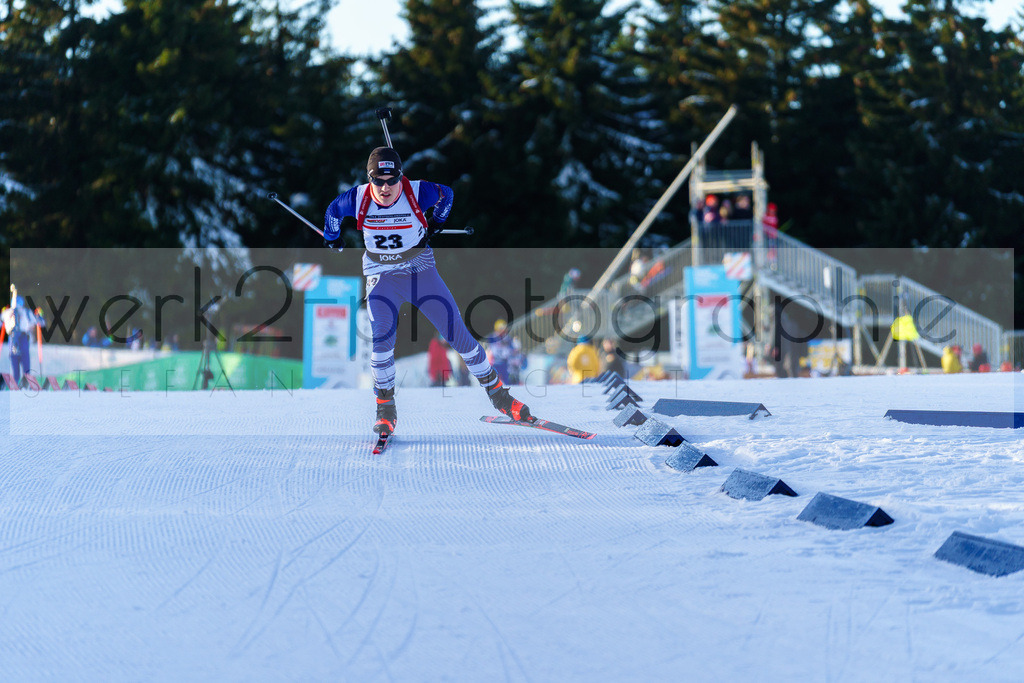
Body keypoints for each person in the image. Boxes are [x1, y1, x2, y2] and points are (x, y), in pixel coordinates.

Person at [323, 146, 531, 437]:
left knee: (457, 333)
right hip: (381, 276)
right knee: (382, 340)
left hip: (420, 271)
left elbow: (447, 194)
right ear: (369, 178)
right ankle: (385, 410)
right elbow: (332, 211)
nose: (385, 188)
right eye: (377, 181)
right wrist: (332, 237)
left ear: (400, 176)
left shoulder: (417, 192)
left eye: (391, 180)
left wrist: (436, 222)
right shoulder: (357, 198)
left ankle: (500, 397)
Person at [1, 291, 44, 384]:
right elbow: (41, 321)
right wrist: (39, 316)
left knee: (21, 360)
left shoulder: (24, 312)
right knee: (16, 360)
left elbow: (40, 322)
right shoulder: (10, 312)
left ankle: (24, 381)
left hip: (20, 338)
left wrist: (39, 315)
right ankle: (19, 382)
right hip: (15, 338)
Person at [486, 319, 526, 385]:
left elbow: (512, 349)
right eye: (501, 328)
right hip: (495, 362)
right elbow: (494, 349)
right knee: (494, 380)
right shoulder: (492, 337)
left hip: (505, 362)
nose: (503, 331)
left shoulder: (507, 338)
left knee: (507, 380)